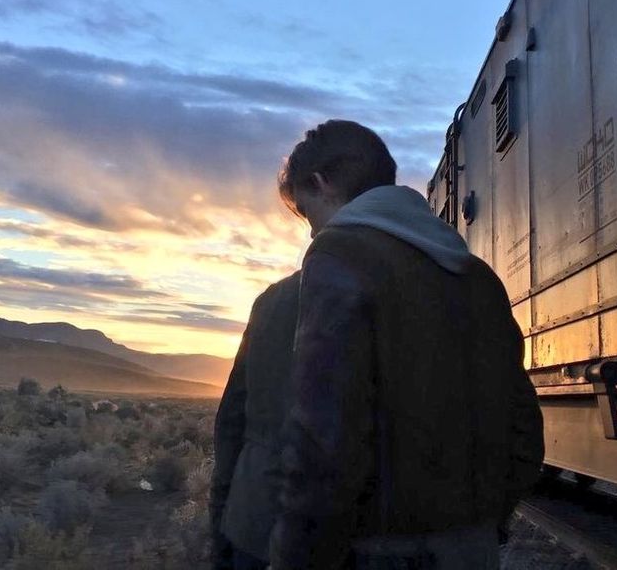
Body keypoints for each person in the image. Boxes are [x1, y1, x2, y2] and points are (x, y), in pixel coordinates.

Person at [268, 120, 544, 570]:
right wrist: (484, 520)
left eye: (306, 211)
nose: (312, 231)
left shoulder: (341, 254)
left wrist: (297, 554)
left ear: (320, 183)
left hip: (383, 550)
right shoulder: (478, 277)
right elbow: (524, 429)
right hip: (472, 546)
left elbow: (325, 433)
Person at [210, 270, 301, 570]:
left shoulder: (273, 300)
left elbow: (231, 423)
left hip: (255, 519)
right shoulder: (428, 280)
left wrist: (220, 520)